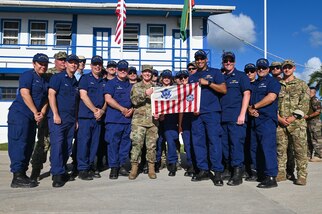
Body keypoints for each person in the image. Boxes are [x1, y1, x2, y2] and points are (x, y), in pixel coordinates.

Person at [8, 53, 50, 188]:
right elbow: (24, 93)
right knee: (19, 143)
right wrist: (35, 112)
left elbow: (45, 99)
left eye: (45, 64)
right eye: (40, 64)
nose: (43, 66)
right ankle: (17, 177)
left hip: (33, 117)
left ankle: (23, 174)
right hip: (20, 114)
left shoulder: (45, 80)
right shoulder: (28, 75)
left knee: (28, 145)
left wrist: (41, 113)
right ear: (34, 64)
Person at [188, 50, 227, 186]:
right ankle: (203, 170)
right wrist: (192, 108)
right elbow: (189, 96)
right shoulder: (192, 77)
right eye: (197, 59)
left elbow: (223, 89)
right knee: (198, 142)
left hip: (212, 113)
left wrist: (208, 83)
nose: (199, 61)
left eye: (202, 58)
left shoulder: (216, 73)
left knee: (214, 141)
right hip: (196, 115)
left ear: (206, 59)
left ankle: (217, 172)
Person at [30, 51, 67, 181]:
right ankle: (35, 170)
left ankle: (57, 169)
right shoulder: (48, 74)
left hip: (61, 115)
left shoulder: (68, 75)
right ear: (55, 61)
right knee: (43, 143)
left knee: (59, 144)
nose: (63, 62)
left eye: (64, 60)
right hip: (47, 114)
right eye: (60, 60)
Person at [248, 58, 280, 188]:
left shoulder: (272, 82)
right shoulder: (254, 84)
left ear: (268, 69)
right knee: (255, 149)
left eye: (264, 68)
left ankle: (271, 177)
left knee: (268, 148)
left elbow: (271, 97)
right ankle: (261, 174)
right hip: (255, 120)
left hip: (267, 120)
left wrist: (255, 106)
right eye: (259, 68)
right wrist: (251, 110)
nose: (261, 70)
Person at [276, 59, 310, 186]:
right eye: (285, 67)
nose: (287, 69)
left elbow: (305, 103)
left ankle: (301, 175)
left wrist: (293, 117)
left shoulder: (301, 84)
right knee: (281, 150)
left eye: (289, 67)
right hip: (280, 123)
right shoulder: (278, 85)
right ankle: (281, 173)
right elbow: (273, 103)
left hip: (297, 124)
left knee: (300, 150)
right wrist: (279, 118)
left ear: (294, 68)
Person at [48, 54, 79, 187]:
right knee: (57, 146)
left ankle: (61, 170)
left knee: (66, 147)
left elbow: (76, 103)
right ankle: (57, 175)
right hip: (58, 119)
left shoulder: (75, 82)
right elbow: (51, 94)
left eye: (75, 63)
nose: (73, 65)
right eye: (70, 62)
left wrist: (76, 120)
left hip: (71, 120)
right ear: (65, 64)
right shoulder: (57, 78)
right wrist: (55, 114)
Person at [220, 51, 251, 186]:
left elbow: (247, 94)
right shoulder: (221, 78)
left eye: (230, 60)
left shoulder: (241, 76)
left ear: (234, 62)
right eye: (226, 60)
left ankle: (237, 173)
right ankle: (228, 169)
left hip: (236, 118)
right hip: (223, 118)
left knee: (236, 145)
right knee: (225, 146)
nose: (228, 63)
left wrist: (242, 114)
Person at [77, 55, 107, 180]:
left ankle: (90, 166)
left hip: (98, 117)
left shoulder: (104, 81)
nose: (97, 66)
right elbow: (83, 96)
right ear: (91, 66)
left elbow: (107, 98)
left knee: (94, 144)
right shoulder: (85, 79)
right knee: (84, 143)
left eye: (99, 64)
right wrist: (95, 110)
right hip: (86, 117)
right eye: (95, 64)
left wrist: (102, 110)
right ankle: (82, 169)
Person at [104, 60, 134, 179]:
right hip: (114, 120)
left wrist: (132, 109)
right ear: (116, 70)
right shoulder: (111, 83)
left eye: (125, 69)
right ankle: (114, 168)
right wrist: (122, 109)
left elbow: (135, 101)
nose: (122, 71)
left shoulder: (131, 85)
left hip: (127, 120)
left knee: (125, 144)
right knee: (113, 144)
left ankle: (121, 165)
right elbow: (108, 99)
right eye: (120, 69)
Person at [128, 64, 159, 180]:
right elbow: (134, 101)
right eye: (145, 72)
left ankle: (151, 168)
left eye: (149, 72)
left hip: (152, 122)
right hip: (138, 122)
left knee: (152, 146)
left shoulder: (157, 87)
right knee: (137, 145)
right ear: (142, 73)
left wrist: (159, 113)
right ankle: (134, 168)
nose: (147, 74)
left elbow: (161, 103)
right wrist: (145, 93)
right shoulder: (136, 86)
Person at [177, 70, 196, 177]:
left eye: (185, 77)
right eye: (181, 78)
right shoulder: (179, 91)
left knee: (197, 143)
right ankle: (191, 165)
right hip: (185, 120)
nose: (183, 79)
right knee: (187, 144)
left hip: (195, 119)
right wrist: (180, 125)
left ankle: (199, 165)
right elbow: (180, 110)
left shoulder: (195, 89)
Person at [243, 63, 258, 181]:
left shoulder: (258, 85)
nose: (249, 73)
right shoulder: (243, 84)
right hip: (244, 119)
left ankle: (254, 170)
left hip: (256, 118)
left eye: (252, 71)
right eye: (247, 71)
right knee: (244, 145)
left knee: (255, 146)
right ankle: (246, 169)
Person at [305, 87, 322, 162]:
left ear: (313, 92)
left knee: (316, 138)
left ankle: (319, 155)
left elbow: (318, 111)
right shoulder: (308, 100)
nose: (307, 93)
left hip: (315, 122)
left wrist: (308, 116)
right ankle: (308, 155)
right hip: (309, 122)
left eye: (309, 92)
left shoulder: (315, 100)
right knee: (309, 138)